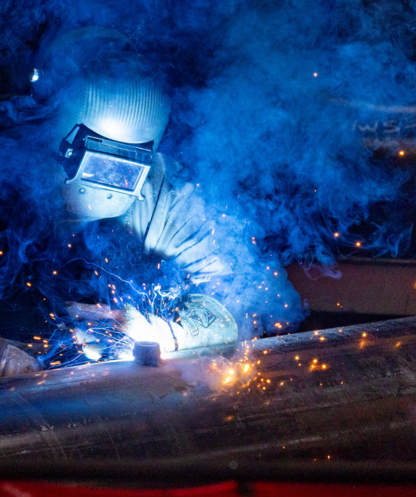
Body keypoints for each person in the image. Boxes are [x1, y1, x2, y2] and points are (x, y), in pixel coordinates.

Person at [0, 26, 239, 374]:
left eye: (125, 170)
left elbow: (227, 304)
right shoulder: (10, 168)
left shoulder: (166, 196)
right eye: (99, 164)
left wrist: (163, 333)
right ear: (54, 136)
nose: (111, 183)